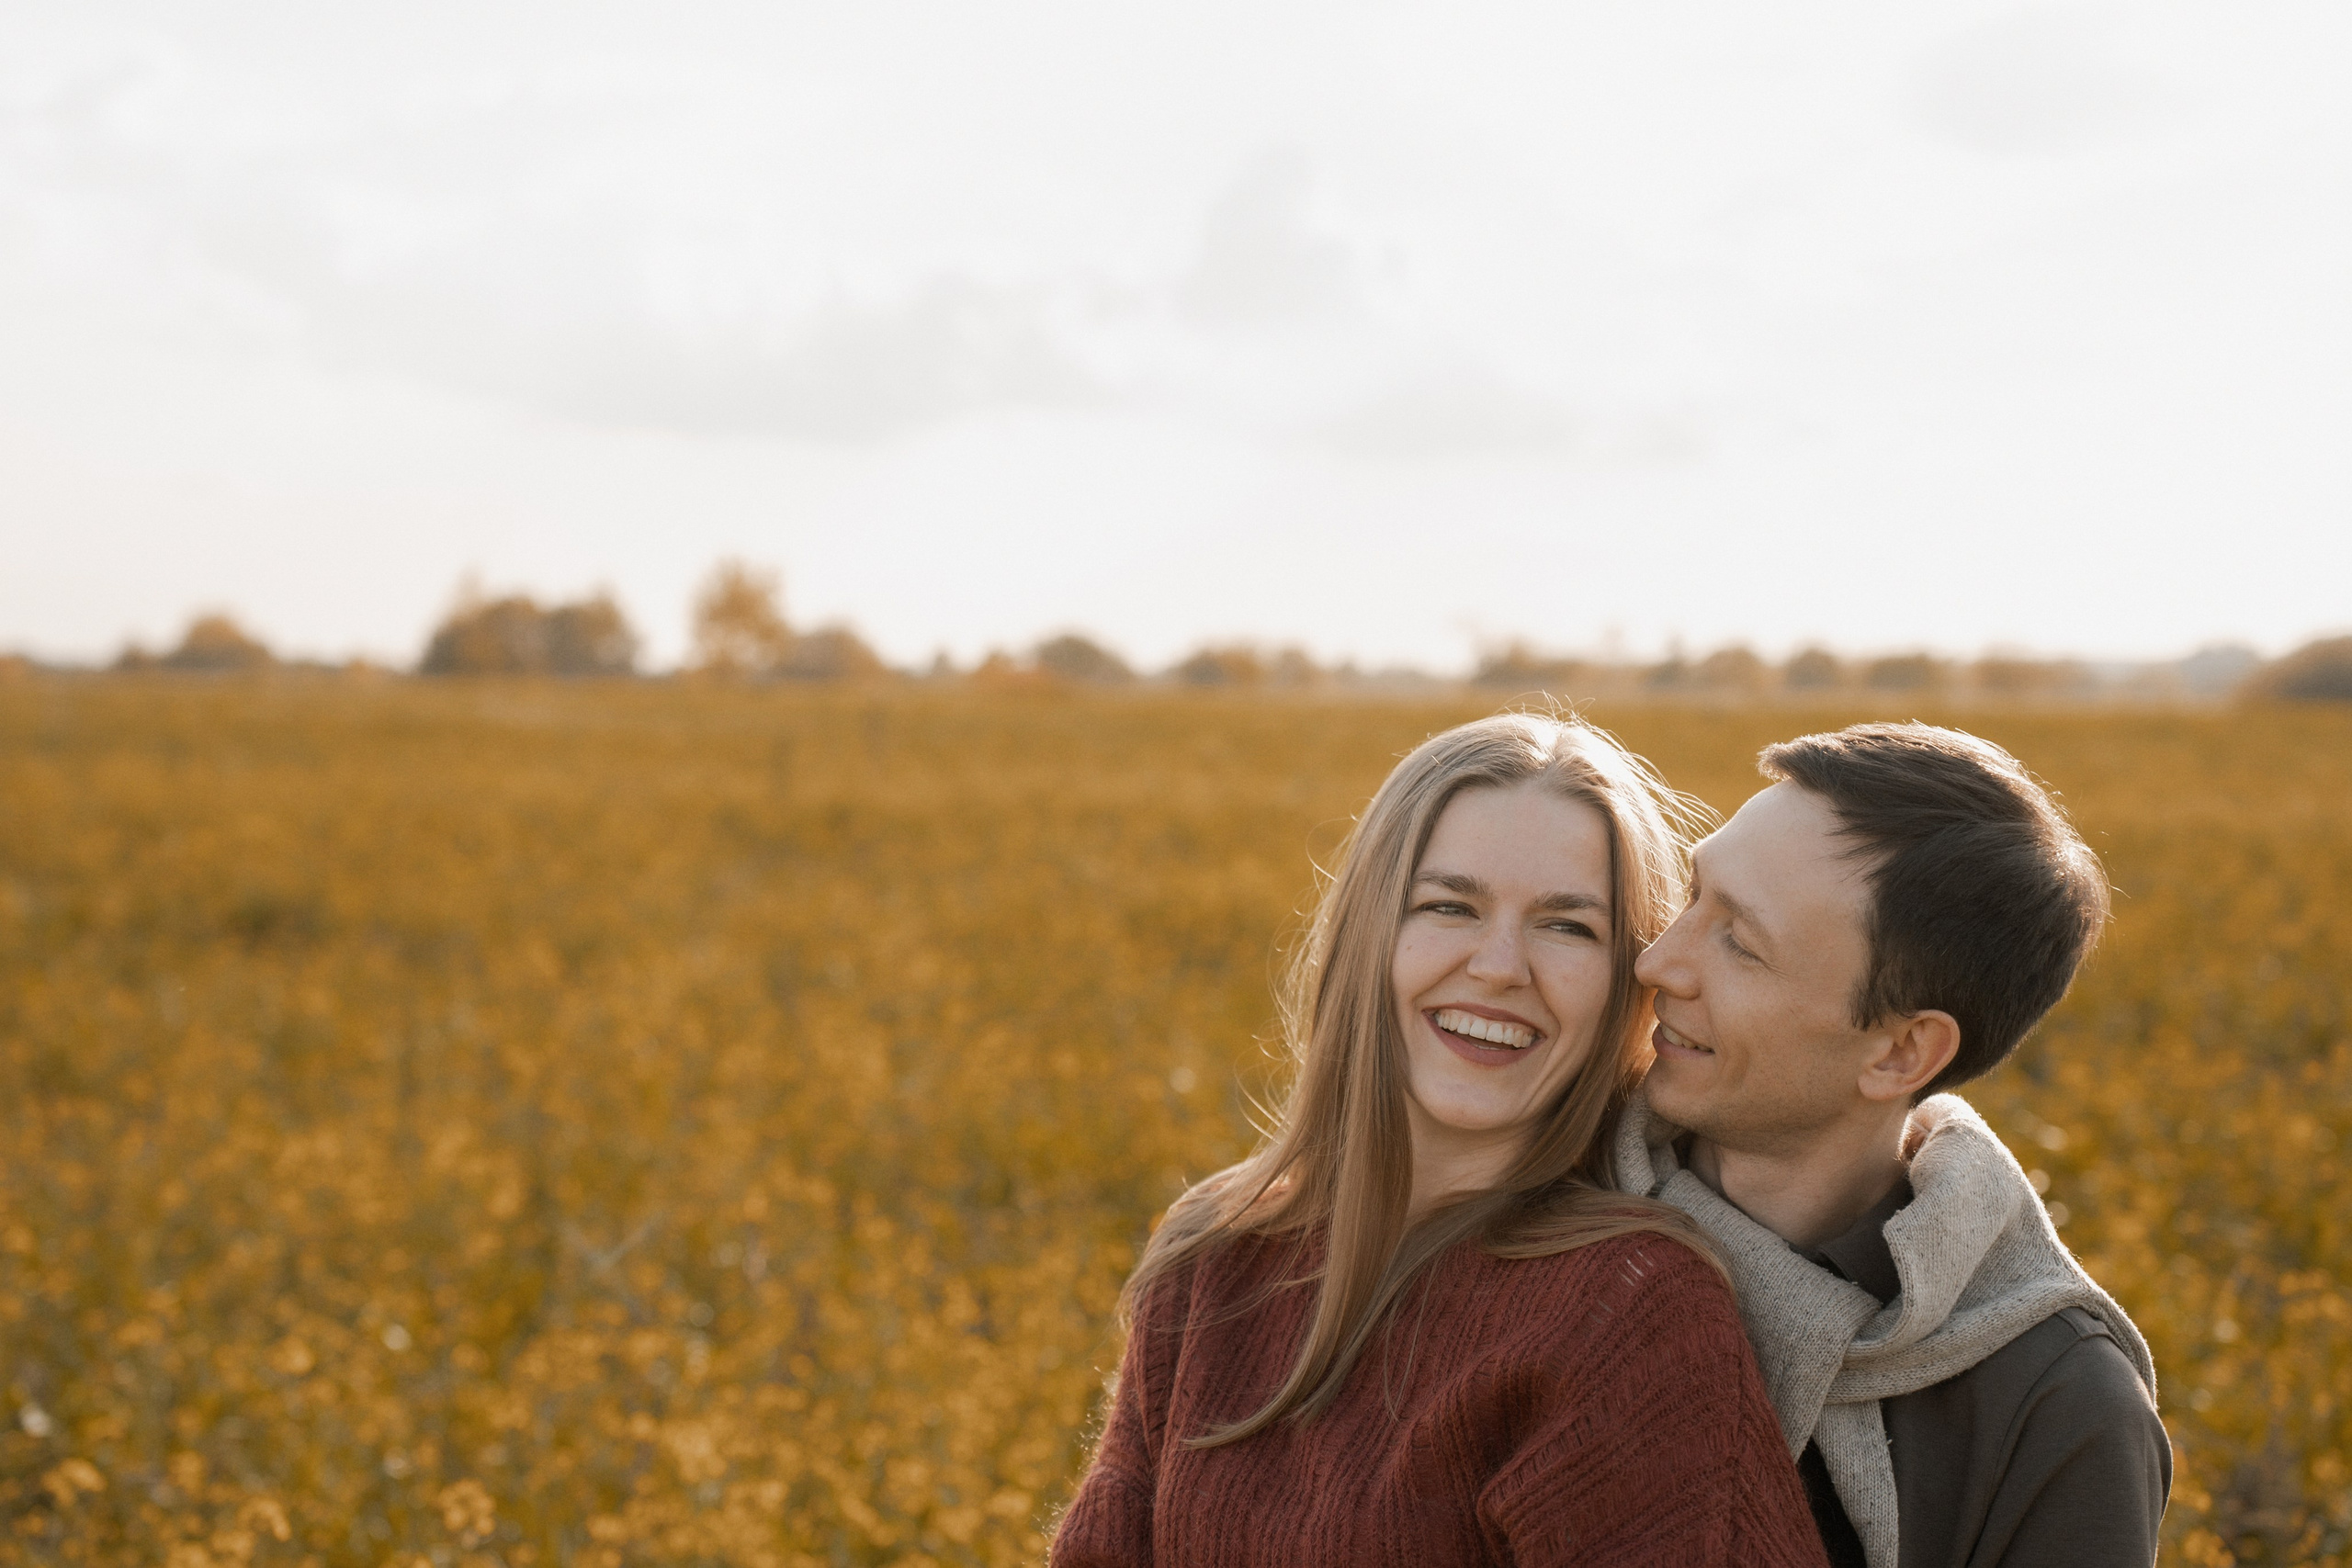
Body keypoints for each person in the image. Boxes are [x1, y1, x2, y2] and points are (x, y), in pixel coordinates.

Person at [1053, 714, 1829, 1567]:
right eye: (1448, 905)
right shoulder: (1215, 1255)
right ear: (1369, 936)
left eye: (1568, 926)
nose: (1499, 965)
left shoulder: (1627, 1311)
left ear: (1624, 986)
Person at [1617, 722, 2171, 1568]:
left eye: (1740, 942)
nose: (1659, 961)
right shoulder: (1524, 1208)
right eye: (1694, 896)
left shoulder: (2059, 1406)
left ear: (1900, 1053)